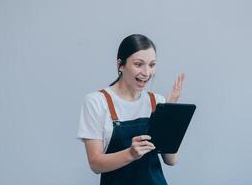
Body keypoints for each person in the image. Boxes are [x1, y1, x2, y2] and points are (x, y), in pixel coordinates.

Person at [77, 34, 185, 185]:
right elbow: (95, 164)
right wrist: (131, 153)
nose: (147, 73)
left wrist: (170, 114)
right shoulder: (97, 102)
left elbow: (171, 160)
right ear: (120, 65)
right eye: (138, 64)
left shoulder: (158, 101)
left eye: (152, 65)